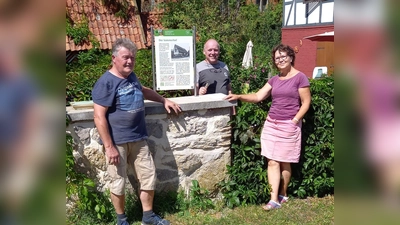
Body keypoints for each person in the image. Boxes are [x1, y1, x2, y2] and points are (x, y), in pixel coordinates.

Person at [92, 38, 181, 225]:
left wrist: (164, 100)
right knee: (118, 181)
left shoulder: (131, 76)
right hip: (117, 142)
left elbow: (144, 90)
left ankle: (148, 217)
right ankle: (121, 220)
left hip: (138, 138)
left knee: (148, 176)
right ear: (114, 58)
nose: (129, 61)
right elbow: (99, 117)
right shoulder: (106, 82)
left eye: (132, 58)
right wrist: (109, 147)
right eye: (125, 57)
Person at [224, 44, 311, 210]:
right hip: (271, 124)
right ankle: (273, 200)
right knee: (272, 161)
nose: (280, 60)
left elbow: (306, 102)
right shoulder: (274, 80)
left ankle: (283, 193)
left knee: (285, 162)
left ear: (291, 57)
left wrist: (295, 120)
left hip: (289, 125)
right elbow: (258, 96)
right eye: (277, 58)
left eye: (284, 56)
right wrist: (239, 96)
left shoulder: (300, 78)